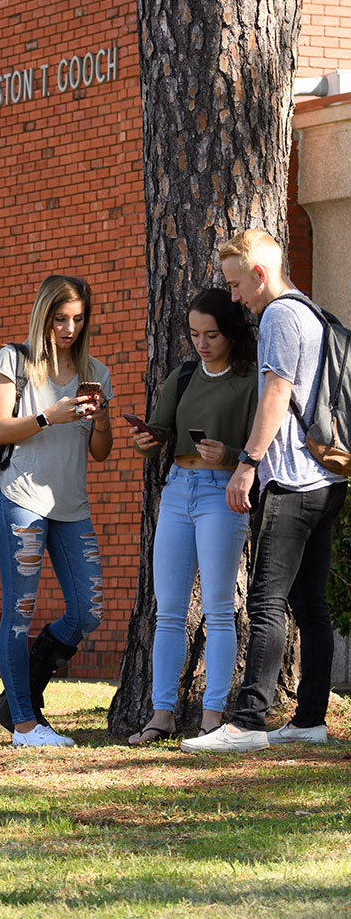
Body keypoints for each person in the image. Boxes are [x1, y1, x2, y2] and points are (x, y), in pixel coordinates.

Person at [181, 229, 348, 753]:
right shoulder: (311, 312)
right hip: (329, 478)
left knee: (267, 600)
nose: (233, 297)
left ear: (259, 274)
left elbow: (277, 394)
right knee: (310, 603)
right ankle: (310, 719)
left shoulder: (277, 315)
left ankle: (248, 721)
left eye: (235, 285)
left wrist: (247, 464)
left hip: (291, 481)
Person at [127, 289, 258, 745]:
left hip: (222, 492)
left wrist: (232, 454)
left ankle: (213, 718)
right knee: (169, 613)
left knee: (220, 611)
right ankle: (161, 714)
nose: (202, 343)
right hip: (178, 490)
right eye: (195, 334)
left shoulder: (251, 381)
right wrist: (146, 440)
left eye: (212, 335)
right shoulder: (182, 377)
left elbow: (266, 449)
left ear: (231, 332)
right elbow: (160, 431)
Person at [0, 274, 113, 748]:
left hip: (71, 507)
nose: (69, 328)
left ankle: (22, 689)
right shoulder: (13, 361)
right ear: (44, 315)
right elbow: (0, 431)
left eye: (78, 319)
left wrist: (100, 419)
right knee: (18, 611)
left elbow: (101, 451)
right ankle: (24, 725)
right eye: (60, 318)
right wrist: (48, 416)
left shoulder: (94, 372)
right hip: (21, 500)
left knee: (89, 611)